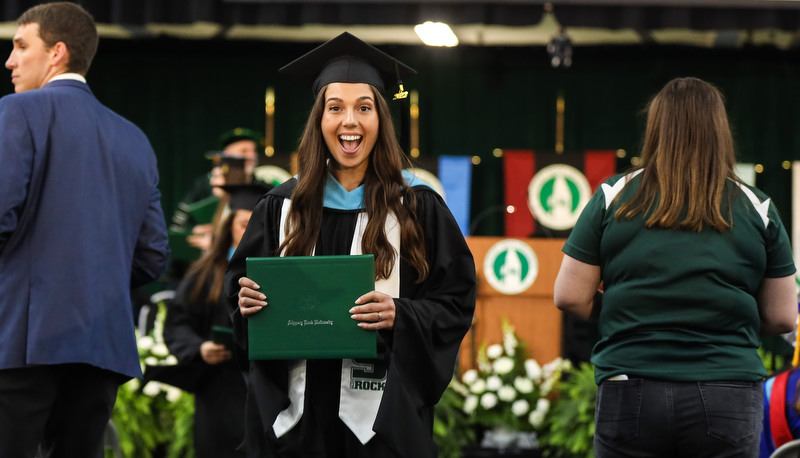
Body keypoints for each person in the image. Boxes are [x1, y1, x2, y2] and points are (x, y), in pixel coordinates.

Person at [224, 32, 476, 457]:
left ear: (381, 119)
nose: (350, 121)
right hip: (295, 426)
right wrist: (245, 302)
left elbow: (455, 301)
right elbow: (239, 299)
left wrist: (403, 313)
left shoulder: (417, 206)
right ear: (319, 120)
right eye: (335, 108)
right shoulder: (279, 207)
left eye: (364, 107)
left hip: (382, 426)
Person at [553, 76, 797, 458]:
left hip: (630, 386)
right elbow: (783, 316)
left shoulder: (613, 195)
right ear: (720, 131)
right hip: (727, 390)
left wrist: (624, 312)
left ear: (655, 129)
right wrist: (728, 319)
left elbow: (569, 296)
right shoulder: (758, 205)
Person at [0, 3, 169, 457]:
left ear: (56, 53)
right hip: (101, 348)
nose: (9, 61)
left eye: (20, 46)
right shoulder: (135, 139)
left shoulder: (17, 112)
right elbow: (153, 256)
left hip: (21, 340)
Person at [162, 183, 271, 458]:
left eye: (256, 223)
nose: (249, 231)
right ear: (229, 225)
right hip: (220, 389)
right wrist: (200, 348)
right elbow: (177, 324)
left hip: (268, 388)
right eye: (243, 223)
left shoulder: (280, 271)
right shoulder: (206, 273)